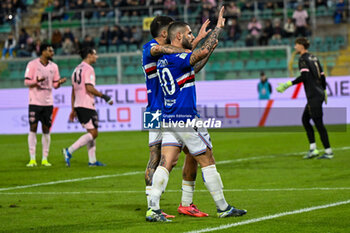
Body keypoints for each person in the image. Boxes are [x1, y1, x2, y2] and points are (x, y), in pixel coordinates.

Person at [147, 7, 247, 222]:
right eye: (190, 33)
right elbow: (197, 53)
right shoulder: (177, 57)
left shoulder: (166, 60)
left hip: (170, 119)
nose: (193, 37)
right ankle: (222, 207)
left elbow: (195, 65)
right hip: (185, 118)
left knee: (167, 162)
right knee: (207, 157)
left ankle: (153, 209)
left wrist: (208, 48)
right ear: (179, 36)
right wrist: (217, 30)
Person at [143, 16, 211, 220]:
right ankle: (152, 206)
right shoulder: (150, 47)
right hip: (156, 109)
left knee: (191, 152)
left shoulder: (173, 52)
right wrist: (191, 47)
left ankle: (186, 202)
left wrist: (196, 41)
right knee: (157, 158)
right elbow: (169, 52)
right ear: (165, 33)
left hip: (170, 109)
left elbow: (186, 58)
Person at [276, 37, 333, 159]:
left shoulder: (303, 59)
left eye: (296, 44)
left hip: (314, 96)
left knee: (318, 124)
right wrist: (324, 90)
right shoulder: (314, 57)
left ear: (302, 46)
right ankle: (313, 149)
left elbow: (305, 76)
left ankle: (328, 151)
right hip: (318, 94)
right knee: (305, 119)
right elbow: (322, 75)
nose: (295, 47)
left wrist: (288, 84)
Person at [62, 47, 113, 167]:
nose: (96, 57)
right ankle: (69, 150)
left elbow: (73, 91)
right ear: (89, 55)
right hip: (86, 105)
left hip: (79, 105)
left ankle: (92, 161)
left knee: (91, 131)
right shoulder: (89, 69)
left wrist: (73, 108)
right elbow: (89, 87)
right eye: (95, 54)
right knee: (94, 133)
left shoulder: (76, 70)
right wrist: (104, 96)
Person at [24, 43, 67, 167]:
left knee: (46, 129)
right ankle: (32, 158)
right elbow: (26, 81)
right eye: (50, 50)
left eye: (52, 50)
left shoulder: (54, 67)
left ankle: (44, 158)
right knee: (33, 128)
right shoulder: (32, 64)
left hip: (48, 102)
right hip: (34, 101)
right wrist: (36, 81)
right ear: (43, 52)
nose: (52, 52)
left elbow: (54, 85)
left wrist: (59, 83)